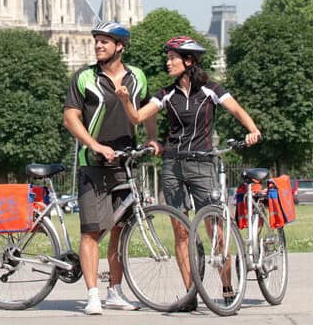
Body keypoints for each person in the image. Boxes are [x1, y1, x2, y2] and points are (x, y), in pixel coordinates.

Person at [115, 35, 261, 311]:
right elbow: (137, 118)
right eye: (167, 57)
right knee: (180, 231)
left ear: (189, 60)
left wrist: (252, 130)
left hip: (202, 164)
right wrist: (125, 101)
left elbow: (237, 110)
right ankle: (189, 295)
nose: (167, 62)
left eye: (173, 57)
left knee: (215, 227)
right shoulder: (166, 94)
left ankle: (227, 285)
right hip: (173, 165)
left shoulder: (210, 89)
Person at [63, 21, 161, 315]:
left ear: (120, 46)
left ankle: (115, 291)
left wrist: (153, 138)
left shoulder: (137, 77)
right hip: (93, 165)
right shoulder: (84, 78)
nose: (98, 46)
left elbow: (147, 111)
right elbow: (70, 118)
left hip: (125, 164)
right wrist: (94, 145)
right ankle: (93, 294)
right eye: (96, 42)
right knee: (92, 232)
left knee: (120, 230)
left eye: (104, 42)